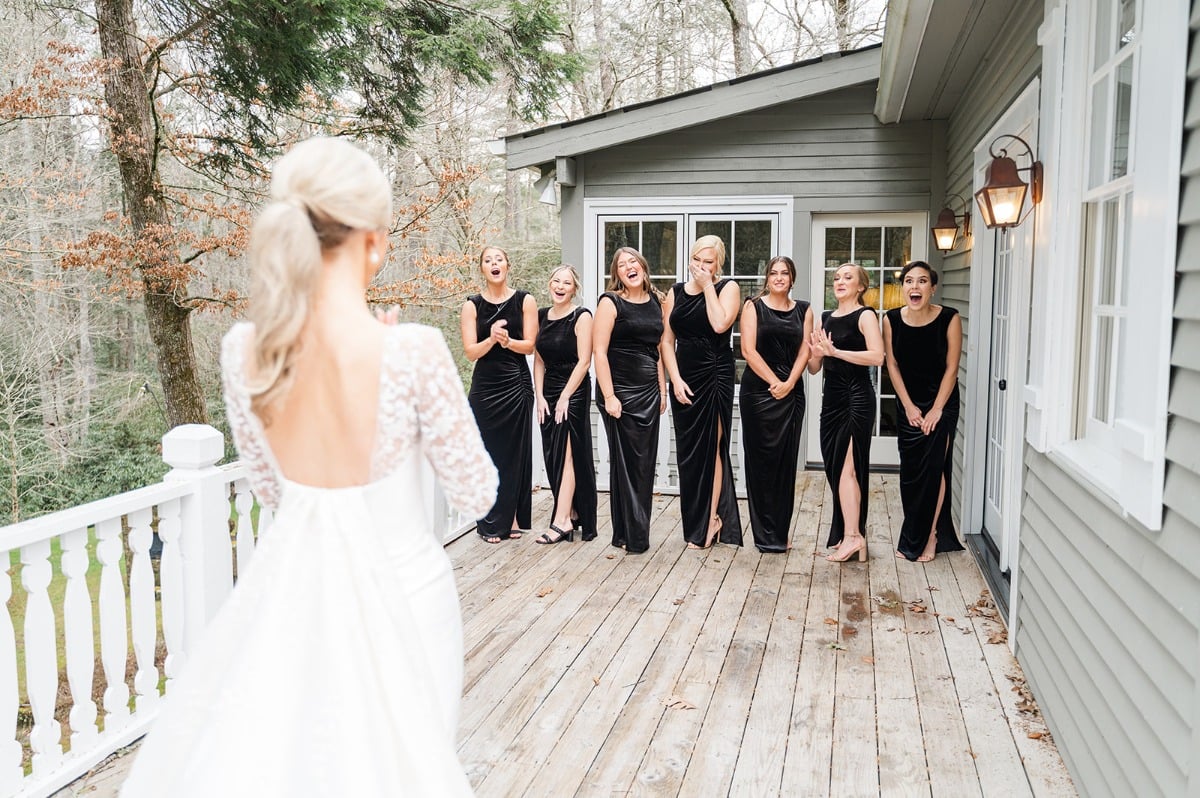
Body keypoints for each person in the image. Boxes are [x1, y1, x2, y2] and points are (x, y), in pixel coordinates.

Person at [121, 137, 497, 796]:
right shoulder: (413, 351)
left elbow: (273, 492)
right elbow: (477, 489)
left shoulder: (245, 352)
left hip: (292, 603)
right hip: (407, 600)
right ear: (374, 243)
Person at [661, 234, 743, 549]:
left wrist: (708, 285)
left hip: (715, 374)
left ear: (718, 264)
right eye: (697, 260)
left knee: (713, 448)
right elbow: (667, 341)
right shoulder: (675, 292)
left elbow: (721, 324)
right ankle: (698, 519)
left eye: (708, 262)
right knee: (689, 454)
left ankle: (711, 520)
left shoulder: (728, 288)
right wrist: (675, 379)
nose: (701, 266)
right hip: (685, 377)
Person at [883, 261, 965, 562]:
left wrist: (936, 410)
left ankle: (930, 536)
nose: (914, 286)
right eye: (908, 281)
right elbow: (891, 364)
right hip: (909, 404)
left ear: (932, 288)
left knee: (933, 470)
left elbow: (952, 368)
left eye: (921, 281)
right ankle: (912, 533)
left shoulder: (949, 318)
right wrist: (908, 406)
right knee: (910, 473)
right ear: (903, 287)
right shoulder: (891, 319)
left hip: (941, 405)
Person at [460, 245, 537, 544]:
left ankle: (513, 515)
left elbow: (529, 345)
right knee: (486, 452)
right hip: (485, 387)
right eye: (488, 261)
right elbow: (470, 352)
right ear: (482, 269)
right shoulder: (472, 305)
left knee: (515, 452)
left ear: (507, 265)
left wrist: (507, 342)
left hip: (516, 384)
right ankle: (490, 519)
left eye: (499, 259)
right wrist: (491, 339)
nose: (494, 264)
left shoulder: (524, 300)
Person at [808, 262, 884, 563]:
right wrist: (815, 353)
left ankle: (853, 536)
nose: (840, 281)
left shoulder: (865, 315)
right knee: (835, 467)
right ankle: (853, 535)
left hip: (857, 398)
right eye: (836, 277)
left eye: (847, 277)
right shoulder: (826, 317)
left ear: (860, 286)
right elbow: (816, 369)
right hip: (833, 401)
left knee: (848, 468)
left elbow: (878, 356)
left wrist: (836, 352)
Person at [593, 247, 667, 554]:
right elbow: (599, 352)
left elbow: (659, 349)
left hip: (648, 392)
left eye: (633, 261)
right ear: (617, 274)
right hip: (619, 394)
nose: (629, 267)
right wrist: (609, 395)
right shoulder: (610, 303)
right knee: (625, 464)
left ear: (643, 266)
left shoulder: (657, 302)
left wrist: (662, 390)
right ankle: (632, 535)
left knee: (643, 465)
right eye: (622, 265)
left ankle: (631, 532)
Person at [738, 256, 813, 553]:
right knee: (760, 463)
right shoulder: (752, 306)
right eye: (774, 273)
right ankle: (763, 533)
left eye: (785, 273)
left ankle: (780, 532)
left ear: (792, 279)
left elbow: (806, 349)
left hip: (792, 393)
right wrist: (774, 383)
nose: (779, 277)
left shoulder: (805, 310)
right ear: (767, 278)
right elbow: (748, 350)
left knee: (785, 464)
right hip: (758, 392)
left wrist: (790, 383)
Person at [533, 265, 597, 544]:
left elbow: (585, 361)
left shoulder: (582, 316)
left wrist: (565, 396)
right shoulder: (540, 316)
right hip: (548, 390)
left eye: (567, 283)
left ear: (574, 289)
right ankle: (570, 510)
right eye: (556, 281)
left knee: (570, 452)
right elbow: (538, 360)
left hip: (574, 389)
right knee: (554, 454)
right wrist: (539, 396)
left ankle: (561, 522)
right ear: (550, 284)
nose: (560, 286)